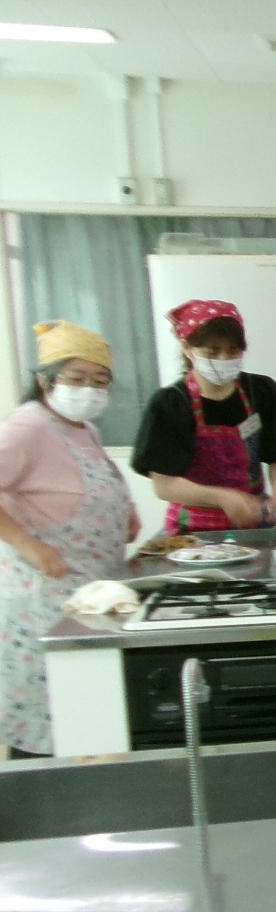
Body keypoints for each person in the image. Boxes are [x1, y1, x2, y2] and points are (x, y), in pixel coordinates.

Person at [0, 321, 136, 758]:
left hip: (87, 596)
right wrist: (29, 545)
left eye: (100, 380)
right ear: (46, 380)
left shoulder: (84, 428)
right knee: (45, 724)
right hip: (43, 602)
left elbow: (88, 483)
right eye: (76, 378)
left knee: (84, 719)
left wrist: (128, 512)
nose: (89, 390)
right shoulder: (27, 427)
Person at [132, 299, 276, 532]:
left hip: (253, 524)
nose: (224, 360)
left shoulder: (260, 391)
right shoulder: (171, 403)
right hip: (194, 531)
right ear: (187, 348)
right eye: (212, 352)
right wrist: (222, 498)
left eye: (233, 351)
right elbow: (164, 485)